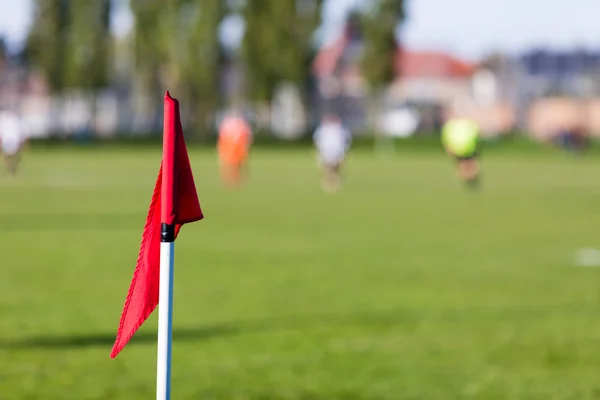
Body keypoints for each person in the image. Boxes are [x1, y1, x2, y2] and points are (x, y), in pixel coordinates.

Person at [313, 113, 352, 193]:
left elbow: (317, 139)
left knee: (332, 167)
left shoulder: (337, 128)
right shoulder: (327, 128)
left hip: (333, 151)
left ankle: (333, 182)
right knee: (330, 167)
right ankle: (330, 182)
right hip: (331, 151)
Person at [441, 116, 481, 190]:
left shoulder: (452, 125)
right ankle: (470, 178)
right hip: (467, 146)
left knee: (463, 163)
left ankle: (468, 178)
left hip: (459, 147)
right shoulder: (468, 125)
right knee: (469, 162)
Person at [217, 111, 253, 187]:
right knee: (230, 161)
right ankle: (230, 176)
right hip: (231, 146)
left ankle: (236, 176)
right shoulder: (229, 125)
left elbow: (247, 135)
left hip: (237, 146)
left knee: (238, 162)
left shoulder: (241, 125)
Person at [0, 108, 26, 176]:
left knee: (15, 155)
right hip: (7, 138)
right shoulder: (3, 118)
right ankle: (10, 168)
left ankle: (14, 167)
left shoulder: (16, 118)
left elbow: (19, 129)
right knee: (7, 155)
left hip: (14, 138)